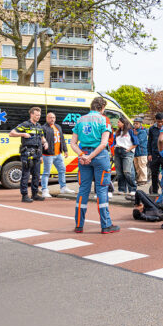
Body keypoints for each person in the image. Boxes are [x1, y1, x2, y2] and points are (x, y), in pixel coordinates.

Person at [69, 97, 119, 234]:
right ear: (102, 108)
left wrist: (82, 155)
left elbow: (73, 143)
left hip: (83, 156)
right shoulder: (104, 120)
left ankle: (79, 225)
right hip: (100, 157)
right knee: (102, 190)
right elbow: (103, 143)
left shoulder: (80, 120)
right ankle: (106, 225)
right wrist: (91, 157)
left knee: (83, 189)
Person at [9, 106, 48, 203]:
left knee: (36, 175)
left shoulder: (39, 126)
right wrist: (22, 134)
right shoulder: (25, 125)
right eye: (36, 115)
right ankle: (24, 195)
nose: (38, 117)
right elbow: (11, 133)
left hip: (37, 153)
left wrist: (45, 143)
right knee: (26, 175)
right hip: (27, 153)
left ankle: (34, 194)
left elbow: (42, 138)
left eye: (39, 115)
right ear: (31, 114)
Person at [40, 112, 73, 198]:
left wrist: (65, 150)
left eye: (54, 117)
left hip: (58, 154)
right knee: (46, 173)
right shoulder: (43, 128)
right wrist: (40, 155)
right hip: (48, 155)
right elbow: (40, 142)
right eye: (50, 117)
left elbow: (62, 139)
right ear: (47, 118)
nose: (52, 119)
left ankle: (63, 187)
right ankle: (44, 190)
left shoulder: (58, 127)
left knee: (62, 170)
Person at [113, 116, 138, 195]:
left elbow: (136, 142)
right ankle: (122, 189)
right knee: (119, 172)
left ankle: (132, 188)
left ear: (123, 123)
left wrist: (129, 149)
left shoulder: (130, 131)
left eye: (119, 122)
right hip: (118, 151)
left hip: (127, 152)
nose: (117, 123)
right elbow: (114, 142)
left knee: (127, 171)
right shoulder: (117, 132)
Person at [147, 112, 163, 195]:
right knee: (154, 173)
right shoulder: (152, 129)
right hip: (154, 154)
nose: (160, 123)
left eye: (161, 121)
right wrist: (149, 153)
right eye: (158, 122)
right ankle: (154, 191)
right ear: (156, 121)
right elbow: (149, 142)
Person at [133, 117, 149, 185]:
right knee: (137, 166)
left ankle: (143, 180)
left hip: (142, 151)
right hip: (136, 152)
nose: (135, 125)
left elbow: (138, 141)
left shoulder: (142, 131)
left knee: (142, 166)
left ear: (140, 124)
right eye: (134, 123)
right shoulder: (134, 131)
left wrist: (135, 135)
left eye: (137, 123)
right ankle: (139, 179)